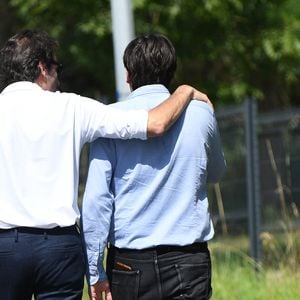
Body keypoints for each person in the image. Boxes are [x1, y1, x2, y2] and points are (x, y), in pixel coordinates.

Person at [0, 29, 210, 300]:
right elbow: (155, 123)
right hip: (59, 250)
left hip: (5, 246)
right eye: (57, 67)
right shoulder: (72, 108)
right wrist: (184, 91)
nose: (58, 76)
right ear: (42, 68)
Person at [82, 33, 226, 300]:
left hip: (128, 263)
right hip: (188, 260)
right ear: (172, 72)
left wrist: (95, 270)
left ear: (129, 75)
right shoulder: (201, 112)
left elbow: (96, 201)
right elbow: (216, 172)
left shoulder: (109, 120)